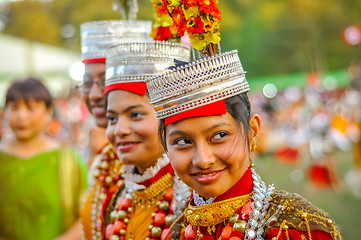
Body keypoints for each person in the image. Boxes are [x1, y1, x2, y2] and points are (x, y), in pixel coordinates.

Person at [146, 50, 343, 240]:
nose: (203, 160)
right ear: (165, 145)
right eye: (182, 142)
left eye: (219, 135)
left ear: (252, 132)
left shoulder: (297, 229)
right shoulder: (171, 225)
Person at [102, 40, 191, 240]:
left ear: (171, 117)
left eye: (135, 115)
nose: (119, 130)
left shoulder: (194, 198)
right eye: (112, 119)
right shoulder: (118, 198)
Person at [79, 19, 153, 239]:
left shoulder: (177, 175)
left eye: (106, 80)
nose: (93, 95)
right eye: (87, 82)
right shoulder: (104, 159)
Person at [0, 77, 88, 240]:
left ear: (49, 112)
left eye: (30, 108)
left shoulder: (68, 160)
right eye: (14, 107)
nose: (21, 116)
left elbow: (86, 217)